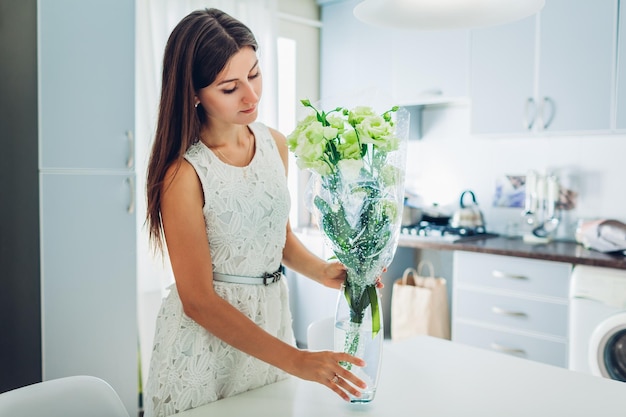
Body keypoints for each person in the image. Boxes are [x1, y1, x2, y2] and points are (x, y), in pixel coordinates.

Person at [143, 9, 370, 416]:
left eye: (255, 74)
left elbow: (274, 237)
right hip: (204, 344)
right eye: (229, 88)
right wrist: (298, 358)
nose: (251, 96)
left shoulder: (275, 146)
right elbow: (196, 300)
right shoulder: (184, 173)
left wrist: (322, 271)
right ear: (194, 93)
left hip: (269, 326)